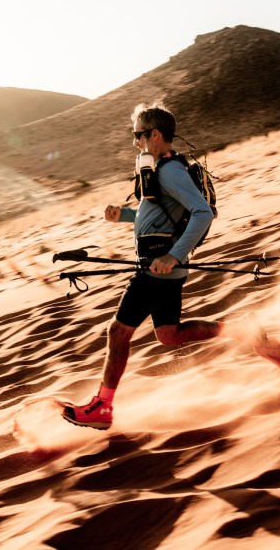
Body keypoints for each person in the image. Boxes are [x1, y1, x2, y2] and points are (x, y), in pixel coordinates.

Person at [62, 102, 225, 429]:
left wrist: (173, 256)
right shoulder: (160, 170)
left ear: (155, 134)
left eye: (138, 135)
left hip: (157, 266)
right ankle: (239, 331)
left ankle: (102, 407)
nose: (135, 142)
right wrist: (123, 215)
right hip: (160, 266)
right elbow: (156, 214)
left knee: (118, 331)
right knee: (168, 334)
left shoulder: (170, 171)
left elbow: (202, 213)